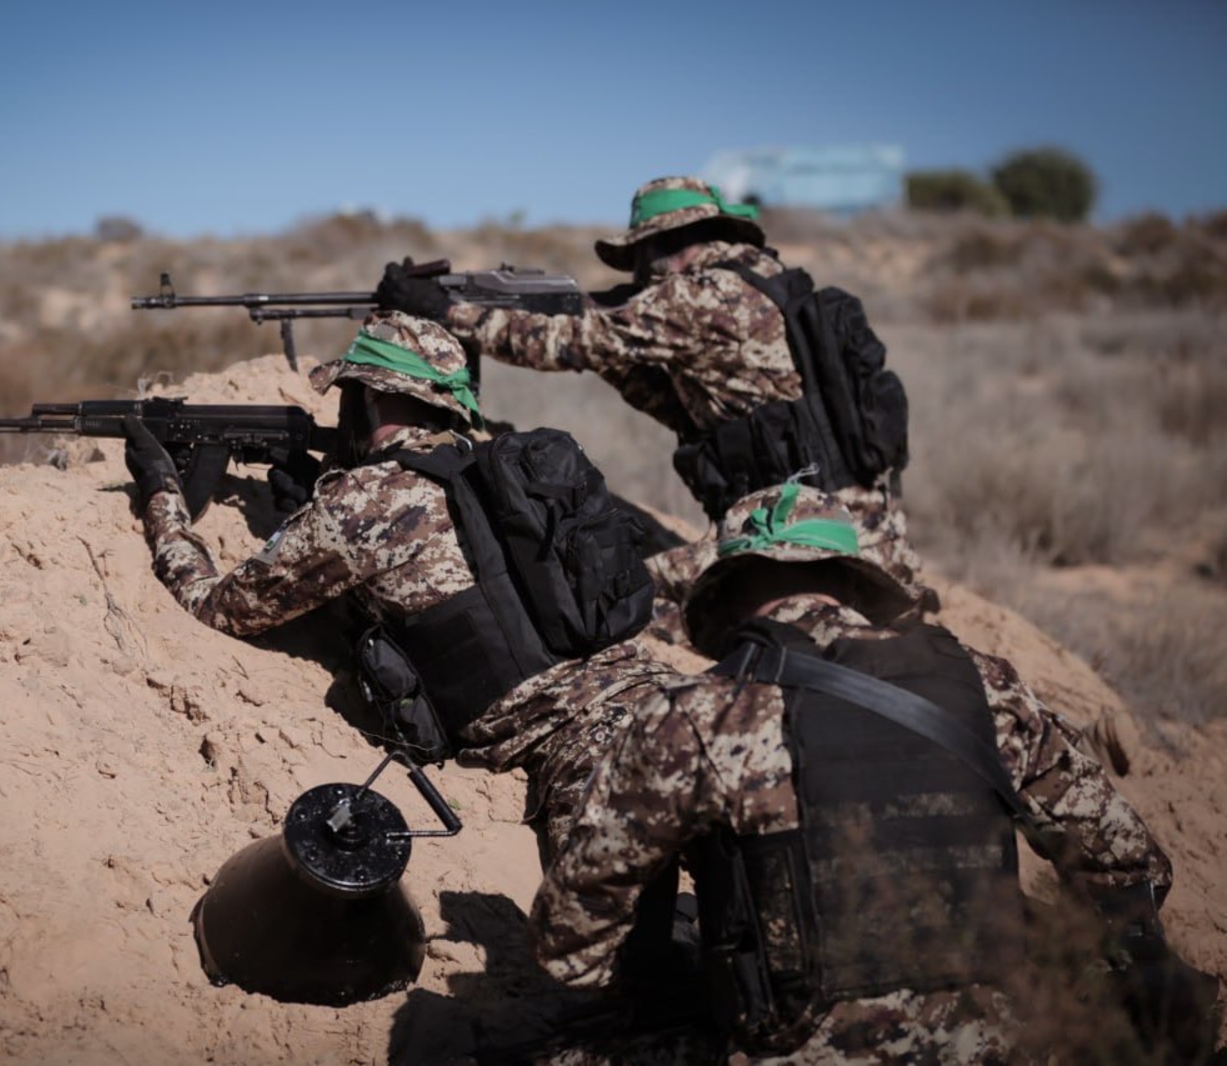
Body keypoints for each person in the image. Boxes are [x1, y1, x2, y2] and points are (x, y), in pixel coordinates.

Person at [526, 482, 1213, 1062]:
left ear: (727, 597)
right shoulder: (985, 685)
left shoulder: (692, 717)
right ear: (855, 583)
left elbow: (570, 945)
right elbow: (1130, 865)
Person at [123, 311, 678, 862]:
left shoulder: (366, 500)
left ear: (365, 398)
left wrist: (163, 497)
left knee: (614, 941)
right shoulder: (485, 470)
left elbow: (218, 608)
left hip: (588, 743)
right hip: (666, 695)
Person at [374, 175, 928, 631]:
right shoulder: (764, 284)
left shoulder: (703, 295)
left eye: (641, 260)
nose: (640, 277)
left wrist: (449, 315)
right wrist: (607, 347)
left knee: (621, 593)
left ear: (667, 246)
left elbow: (567, 343)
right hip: (854, 529)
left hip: (803, 544)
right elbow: (684, 412)